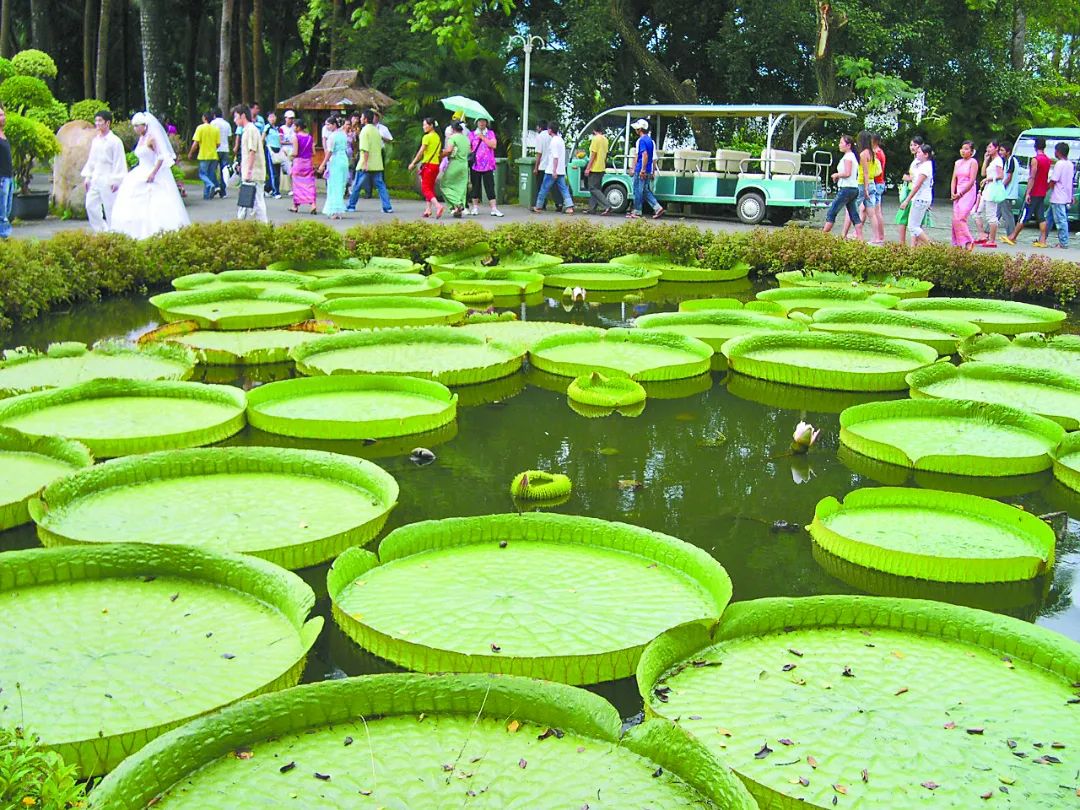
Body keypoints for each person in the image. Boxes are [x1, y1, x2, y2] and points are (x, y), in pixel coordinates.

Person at [110, 112, 190, 239]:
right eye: (134, 126)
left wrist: (153, 172)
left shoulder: (152, 138)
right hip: (140, 169)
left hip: (150, 171)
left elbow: (161, 157)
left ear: (145, 126)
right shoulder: (141, 139)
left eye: (138, 126)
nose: (136, 129)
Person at [80, 110, 127, 232]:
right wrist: (88, 177)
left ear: (108, 123)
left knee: (110, 207)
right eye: (96, 121)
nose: (97, 123)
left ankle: (114, 232)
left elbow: (119, 161)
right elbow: (92, 160)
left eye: (100, 121)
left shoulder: (115, 141)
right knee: (90, 205)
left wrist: (116, 180)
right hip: (96, 176)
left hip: (108, 177)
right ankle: (101, 231)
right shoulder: (96, 140)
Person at [348, 109, 392, 213]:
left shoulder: (364, 131)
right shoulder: (376, 130)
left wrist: (365, 163)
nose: (360, 119)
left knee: (357, 185)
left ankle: (351, 205)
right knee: (381, 186)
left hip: (365, 163)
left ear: (366, 119)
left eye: (362, 117)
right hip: (377, 163)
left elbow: (365, 149)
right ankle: (387, 207)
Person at [842, 131, 881, 243]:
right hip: (872, 183)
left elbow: (865, 172)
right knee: (871, 212)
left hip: (862, 184)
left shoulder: (863, 154)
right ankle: (876, 237)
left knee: (850, 209)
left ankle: (844, 234)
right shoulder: (872, 152)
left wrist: (865, 188)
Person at [232, 104, 268, 223]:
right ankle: (242, 223)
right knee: (247, 200)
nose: (234, 120)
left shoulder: (251, 130)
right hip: (250, 172)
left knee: (257, 201)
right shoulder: (246, 130)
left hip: (254, 173)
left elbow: (252, 151)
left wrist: (249, 171)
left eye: (236, 117)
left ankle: (263, 225)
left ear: (242, 116)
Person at [823, 134, 861, 238]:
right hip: (853, 188)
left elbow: (847, 173)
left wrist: (837, 175)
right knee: (854, 214)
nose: (839, 145)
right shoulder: (852, 156)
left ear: (848, 145)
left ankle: (823, 235)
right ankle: (860, 238)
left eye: (841, 143)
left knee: (832, 211)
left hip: (846, 189)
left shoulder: (848, 157)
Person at [533, 121, 574, 215]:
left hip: (552, 170)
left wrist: (554, 171)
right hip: (561, 170)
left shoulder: (554, 141)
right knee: (563, 189)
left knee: (544, 188)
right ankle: (569, 206)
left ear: (550, 130)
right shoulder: (560, 140)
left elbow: (555, 157)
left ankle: (538, 206)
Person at [408, 117, 444, 218]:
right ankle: (428, 210)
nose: (423, 127)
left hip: (428, 165)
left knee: (425, 188)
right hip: (436, 165)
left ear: (431, 125)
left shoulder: (427, 137)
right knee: (430, 187)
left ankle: (438, 206)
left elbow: (421, 152)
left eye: (425, 125)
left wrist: (413, 163)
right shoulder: (437, 137)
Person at [899, 143, 935, 246]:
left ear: (926, 154)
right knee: (914, 226)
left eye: (919, 152)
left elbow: (917, 185)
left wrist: (907, 200)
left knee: (913, 226)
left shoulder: (925, 167)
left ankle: (931, 245)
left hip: (920, 198)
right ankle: (927, 245)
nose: (917, 154)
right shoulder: (924, 165)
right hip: (923, 198)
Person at [626, 119, 661, 220]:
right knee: (645, 190)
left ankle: (637, 211)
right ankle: (657, 208)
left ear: (640, 129)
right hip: (648, 168)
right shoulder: (650, 140)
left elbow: (643, 155)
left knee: (637, 189)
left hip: (641, 168)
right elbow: (653, 157)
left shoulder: (641, 140)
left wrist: (642, 170)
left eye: (637, 128)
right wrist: (651, 170)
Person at [1022, 137, 1054, 247]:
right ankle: (1043, 240)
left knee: (1025, 215)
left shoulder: (1035, 160)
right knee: (1041, 216)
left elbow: (1032, 177)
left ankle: (1013, 236)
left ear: (1035, 146)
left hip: (1034, 191)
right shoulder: (1048, 160)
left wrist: (1028, 192)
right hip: (1042, 190)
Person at [468, 117, 502, 217]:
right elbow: (469, 147)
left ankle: (494, 208)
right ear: (476, 123)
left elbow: (493, 145)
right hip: (475, 164)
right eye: (479, 121)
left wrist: (483, 137)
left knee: (490, 186)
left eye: (483, 121)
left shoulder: (490, 133)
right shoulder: (472, 134)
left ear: (486, 123)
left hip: (488, 164)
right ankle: (475, 208)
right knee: (475, 186)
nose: (481, 123)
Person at [975, 140, 1004, 248]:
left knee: (991, 215)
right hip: (987, 189)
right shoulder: (992, 161)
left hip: (992, 189)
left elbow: (1001, 175)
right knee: (976, 211)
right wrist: (986, 160)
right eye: (988, 147)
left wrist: (989, 179)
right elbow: (983, 173)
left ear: (996, 148)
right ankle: (982, 235)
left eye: (991, 147)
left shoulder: (998, 161)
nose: (988, 149)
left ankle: (992, 239)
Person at [895, 135, 924, 245]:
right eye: (911, 145)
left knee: (913, 221)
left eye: (915, 145)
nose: (912, 147)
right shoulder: (913, 160)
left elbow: (917, 178)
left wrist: (910, 178)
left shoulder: (921, 161)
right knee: (904, 218)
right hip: (909, 191)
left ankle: (913, 245)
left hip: (915, 193)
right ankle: (905, 244)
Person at [950, 141, 979, 249]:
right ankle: (957, 243)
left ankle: (968, 241)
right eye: (962, 148)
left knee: (961, 217)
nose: (963, 151)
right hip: (958, 192)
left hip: (968, 192)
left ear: (971, 151)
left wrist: (961, 193)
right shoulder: (957, 163)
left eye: (966, 149)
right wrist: (953, 192)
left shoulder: (973, 162)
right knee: (955, 218)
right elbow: (954, 179)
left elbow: (971, 181)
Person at [318, 116, 348, 219]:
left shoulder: (332, 136)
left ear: (334, 124)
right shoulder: (343, 134)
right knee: (340, 184)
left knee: (334, 185)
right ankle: (337, 210)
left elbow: (330, 151)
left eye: (328, 124)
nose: (327, 127)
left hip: (336, 160)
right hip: (343, 159)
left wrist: (323, 164)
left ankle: (335, 210)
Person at [1046, 141, 1074, 249]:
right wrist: (1070, 196)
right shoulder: (1070, 164)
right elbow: (1070, 182)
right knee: (1048, 218)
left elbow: (1054, 180)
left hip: (1058, 197)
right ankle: (1042, 238)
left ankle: (1064, 242)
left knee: (1061, 220)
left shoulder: (1059, 164)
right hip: (1065, 196)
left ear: (1058, 152)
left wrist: (1046, 189)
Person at [441, 120, 471, 217]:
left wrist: (441, 155)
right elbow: (470, 150)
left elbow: (449, 150)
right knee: (461, 187)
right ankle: (457, 208)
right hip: (464, 165)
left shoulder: (452, 138)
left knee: (444, 185)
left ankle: (456, 203)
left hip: (455, 163)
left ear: (453, 129)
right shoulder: (466, 139)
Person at [188, 111, 220, 200]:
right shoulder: (216, 129)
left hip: (204, 155)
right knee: (209, 175)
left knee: (202, 174)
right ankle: (207, 195)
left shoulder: (200, 128)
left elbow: (196, 143)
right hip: (214, 155)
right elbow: (218, 144)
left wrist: (191, 153)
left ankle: (210, 185)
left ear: (204, 118)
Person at [288, 118, 316, 215]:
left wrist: (288, 155)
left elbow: (295, 153)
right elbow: (314, 152)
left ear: (298, 127)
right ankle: (313, 204)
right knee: (309, 184)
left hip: (298, 163)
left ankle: (295, 206)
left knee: (297, 185)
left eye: (294, 126)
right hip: (308, 163)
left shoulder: (296, 137)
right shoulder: (310, 137)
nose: (293, 128)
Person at [585, 124, 611, 214]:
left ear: (594, 130)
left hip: (595, 167)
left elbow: (593, 155)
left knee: (592, 188)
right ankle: (592, 208)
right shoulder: (605, 139)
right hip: (602, 167)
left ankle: (607, 205)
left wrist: (588, 168)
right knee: (596, 188)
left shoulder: (595, 139)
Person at [998, 142, 1019, 243]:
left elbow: (1009, 177)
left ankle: (1011, 235)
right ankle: (987, 232)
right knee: (997, 212)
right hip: (1005, 193)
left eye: (1002, 150)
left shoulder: (1011, 160)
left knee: (1007, 215)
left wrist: (1001, 187)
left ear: (1008, 152)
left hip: (1007, 193)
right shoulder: (1008, 161)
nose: (1000, 152)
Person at [533, 119, 556, 211]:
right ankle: (558, 203)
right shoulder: (552, 136)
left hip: (542, 166)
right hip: (551, 165)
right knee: (552, 186)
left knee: (541, 186)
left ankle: (541, 205)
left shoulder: (540, 137)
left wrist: (536, 167)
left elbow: (539, 153)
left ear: (539, 127)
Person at [210, 107, 231, 198]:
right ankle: (223, 191)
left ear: (214, 115)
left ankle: (216, 185)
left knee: (212, 169)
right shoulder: (227, 124)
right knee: (224, 170)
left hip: (216, 149)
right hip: (225, 149)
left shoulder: (213, 123)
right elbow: (229, 136)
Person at [264, 111, 282, 198]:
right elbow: (262, 138)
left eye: (274, 117)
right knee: (273, 171)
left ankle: (269, 188)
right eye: (270, 117)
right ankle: (276, 192)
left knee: (278, 171)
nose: (272, 118)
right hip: (270, 149)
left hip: (278, 150)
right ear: (267, 119)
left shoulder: (277, 128)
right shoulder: (267, 127)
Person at [0, 106, 12, 239]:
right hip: (1, 179)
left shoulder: (3, 135)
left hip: (8, 177)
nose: (3, 118)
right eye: (0, 115)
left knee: (7, 210)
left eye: (3, 115)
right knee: (1, 213)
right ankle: (4, 239)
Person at [279, 110, 296, 195]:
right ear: (286, 118)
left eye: (292, 118)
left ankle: (294, 188)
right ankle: (289, 187)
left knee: (294, 169)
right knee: (288, 170)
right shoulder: (282, 128)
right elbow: (281, 141)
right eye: (289, 118)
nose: (291, 120)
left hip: (294, 150)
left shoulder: (294, 127)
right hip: (286, 150)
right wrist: (291, 142)